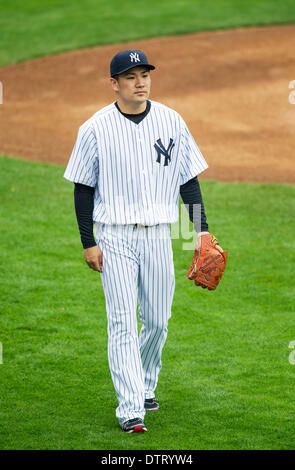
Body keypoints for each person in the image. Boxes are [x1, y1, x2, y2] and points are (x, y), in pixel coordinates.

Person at [64, 49, 223, 433]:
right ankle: (131, 408)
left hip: (157, 237)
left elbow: (189, 182)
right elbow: (83, 190)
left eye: (145, 75)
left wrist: (201, 231)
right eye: (131, 77)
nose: (140, 83)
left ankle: (146, 385)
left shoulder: (171, 121)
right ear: (114, 83)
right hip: (113, 236)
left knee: (157, 320)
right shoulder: (94, 129)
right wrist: (89, 242)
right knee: (121, 321)